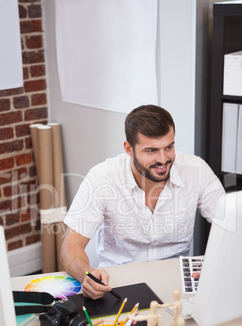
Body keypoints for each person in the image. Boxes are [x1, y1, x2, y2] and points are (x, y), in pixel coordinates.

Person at [60, 105, 225, 299]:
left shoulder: (196, 170)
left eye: (169, 147)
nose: (163, 159)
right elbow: (69, 248)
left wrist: (218, 265)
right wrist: (86, 274)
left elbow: (233, 228)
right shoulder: (103, 177)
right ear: (129, 149)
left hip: (175, 283)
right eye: (152, 151)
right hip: (116, 285)